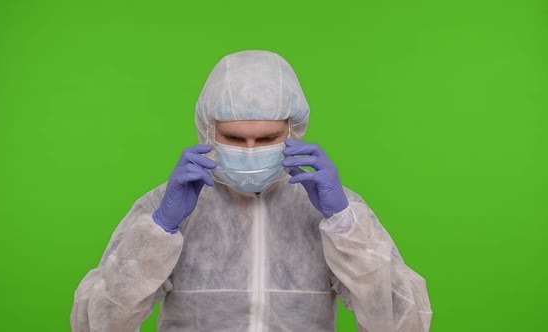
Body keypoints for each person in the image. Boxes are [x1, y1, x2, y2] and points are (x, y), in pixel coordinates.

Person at [70, 50, 432, 332]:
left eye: (268, 138)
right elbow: (97, 324)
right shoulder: (171, 205)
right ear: (208, 131)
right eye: (232, 137)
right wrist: (161, 229)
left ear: (293, 131)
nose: (249, 149)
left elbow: (404, 322)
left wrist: (343, 222)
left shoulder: (327, 207)